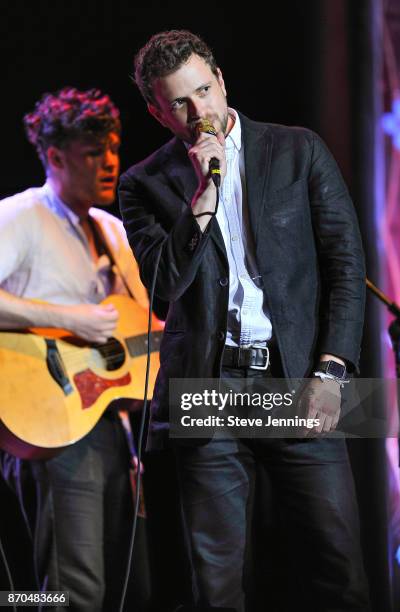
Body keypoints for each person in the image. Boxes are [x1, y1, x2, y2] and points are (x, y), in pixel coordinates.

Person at [119, 30, 370, 611]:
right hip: (209, 389)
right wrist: (202, 200)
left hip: (296, 378)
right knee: (216, 585)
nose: (198, 111)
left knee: (337, 569)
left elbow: (345, 263)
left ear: (222, 79)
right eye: (179, 102)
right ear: (158, 112)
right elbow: (163, 290)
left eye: (204, 90)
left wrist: (332, 371)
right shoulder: (144, 185)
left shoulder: (296, 149)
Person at [0, 87, 150, 611]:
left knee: (125, 589)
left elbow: (146, 328)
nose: (110, 162)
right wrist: (68, 319)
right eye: (93, 153)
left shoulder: (112, 230)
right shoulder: (20, 217)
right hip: (53, 424)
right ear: (56, 157)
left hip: (112, 425)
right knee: (73, 590)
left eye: (113, 148)